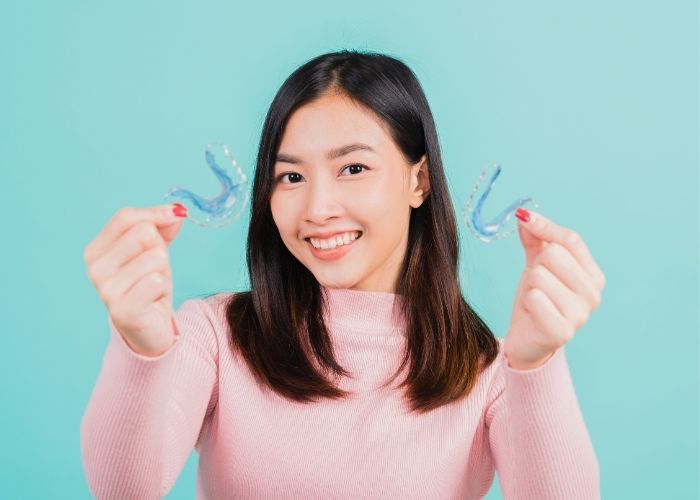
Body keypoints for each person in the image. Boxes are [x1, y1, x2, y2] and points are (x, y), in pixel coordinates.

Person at [80, 49, 605, 499]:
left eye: (353, 168)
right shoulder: (215, 335)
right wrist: (142, 349)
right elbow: (125, 488)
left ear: (418, 181)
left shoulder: (489, 369)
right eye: (290, 176)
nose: (318, 207)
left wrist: (535, 366)